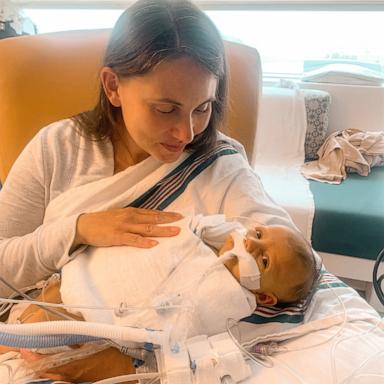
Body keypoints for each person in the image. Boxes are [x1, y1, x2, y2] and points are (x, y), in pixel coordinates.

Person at [0, 0, 303, 381]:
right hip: (40, 339)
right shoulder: (56, 149)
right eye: (166, 109)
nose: (188, 133)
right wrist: (78, 229)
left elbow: (293, 278)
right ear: (113, 86)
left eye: (203, 107)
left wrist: (135, 363)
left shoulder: (219, 165)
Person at [1, 219, 317, 383]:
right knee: (28, 322)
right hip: (67, 288)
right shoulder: (198, 236)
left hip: (92, 336)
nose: (249, 243)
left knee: (37, 343)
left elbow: (177, 347)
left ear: (264, 296)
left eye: (263, 261)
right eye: (258, 234)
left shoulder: (227, 305)